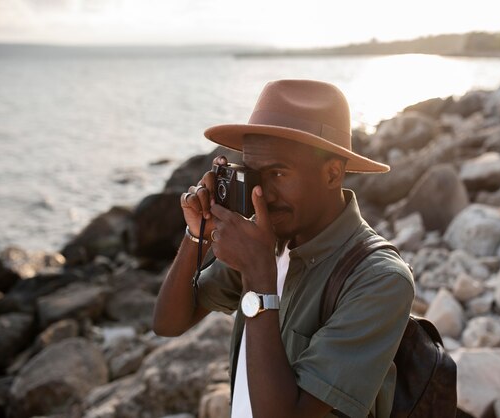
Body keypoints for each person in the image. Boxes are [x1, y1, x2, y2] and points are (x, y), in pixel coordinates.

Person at [153, 79, 415, 418]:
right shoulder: (268, 240)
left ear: (333, 172)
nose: (261, 194)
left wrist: (259, 280)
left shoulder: (379, 280)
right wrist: (197, 236)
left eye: (278, 173)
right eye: (253, 174)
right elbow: (169, 323)